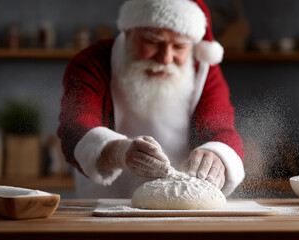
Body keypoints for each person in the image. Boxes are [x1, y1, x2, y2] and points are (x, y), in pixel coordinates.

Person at [58, 0, 245, 198]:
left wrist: (216, 156)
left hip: (181, 208)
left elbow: (221, 129)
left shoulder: (203, 69)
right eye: (152, 42)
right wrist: (120, 153)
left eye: (180, 46)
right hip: (103, 205)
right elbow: (75, 126)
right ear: (128, 32)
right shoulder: (93, 62)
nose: (165, 58)